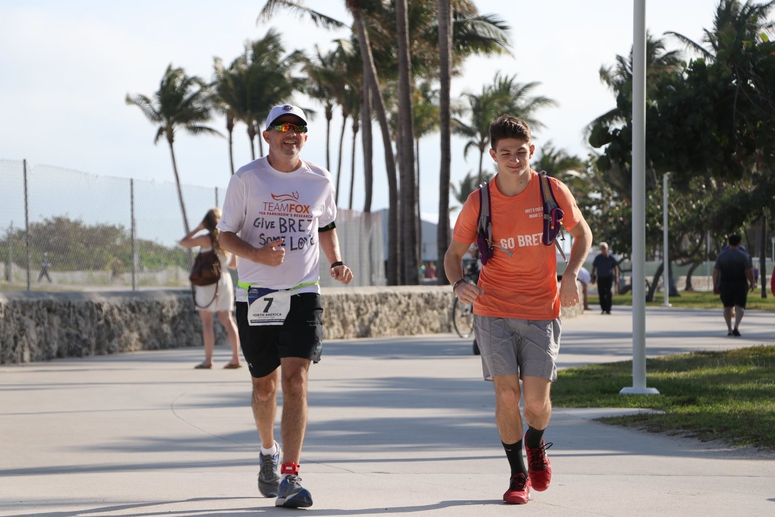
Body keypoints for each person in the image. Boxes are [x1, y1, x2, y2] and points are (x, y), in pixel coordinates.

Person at [444, 115, 592, 505]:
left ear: (532, 151)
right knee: (508, 397)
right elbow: (453, 254)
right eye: (505, 153)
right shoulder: (480, 201)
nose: (513, 159)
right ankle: (517, 474)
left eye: (520, 152)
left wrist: (570, 274)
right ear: (493, 154)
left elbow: (582, 233)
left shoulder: (551, 190)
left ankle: (536, 441)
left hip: (542, 310)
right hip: (492, 308)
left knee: (536, 405)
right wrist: (459, 283)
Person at [217, 104, 353, 509]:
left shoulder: (320, 180)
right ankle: (267, 451)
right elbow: (225, 236)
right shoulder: (247, 178)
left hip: (303, 291)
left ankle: (291, 476)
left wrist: (337, 261)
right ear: (267, 136)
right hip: (256, 294)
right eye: (282, 127)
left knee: (295, 380)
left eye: (298, 129)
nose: (290, 134)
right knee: (265, 387)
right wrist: (257, 255)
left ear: (305, 138)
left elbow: (325, 227)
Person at [179, 209, 242, 370]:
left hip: (209, 281)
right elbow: (234, 265)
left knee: (207, 322)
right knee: (227, 319)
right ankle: (236, 358)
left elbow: (183, 242)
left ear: (206, 222)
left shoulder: (205, 239)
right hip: (225, 279)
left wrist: (198, 229)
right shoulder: (227, 239)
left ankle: (208, 360)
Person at [712, 234, 754, 337]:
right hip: (740, 283)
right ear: (739, 243)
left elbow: (716, 271)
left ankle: (729, 329)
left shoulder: (721, 256)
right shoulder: (744, 256)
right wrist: (752, 282)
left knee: (727, 307)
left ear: (729, 243)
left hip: (725, 283)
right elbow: (749, 271)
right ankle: (736, 327)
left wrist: (715, 284)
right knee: (739, 306)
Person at [591, 243, 618, 314]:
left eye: (604, 248)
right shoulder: (598, 258)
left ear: (607, 249)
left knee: (608, 293)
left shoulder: (611, 258)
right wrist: (593, 277)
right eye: (602, 248)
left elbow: (615, 268)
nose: (603, 250)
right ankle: (603, 308)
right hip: (600, 277)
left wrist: (616, 277)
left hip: (609, 277)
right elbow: (594, 268)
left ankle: (608, 309)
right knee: (601, 293)